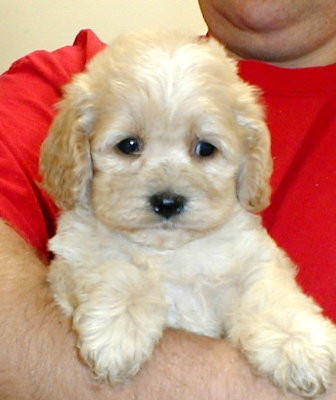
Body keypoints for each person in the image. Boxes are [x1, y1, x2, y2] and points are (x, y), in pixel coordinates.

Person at [0, 1, 335, 399]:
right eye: (128, 146)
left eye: (205, 149)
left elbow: (257, 280)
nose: (168, 190)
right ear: (79, 150)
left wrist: (282, 327)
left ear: (250, 157)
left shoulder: (236, 237)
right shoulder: (61, 78)